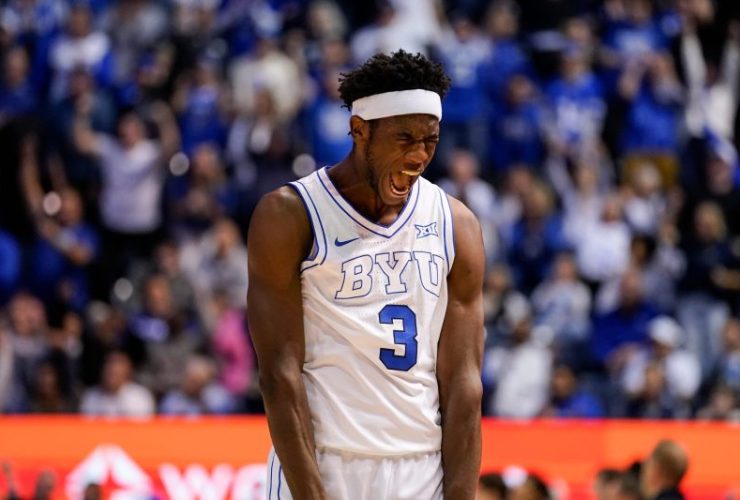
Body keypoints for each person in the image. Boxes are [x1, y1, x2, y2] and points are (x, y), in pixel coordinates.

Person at [247, 50, 485, 499]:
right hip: (323, 464)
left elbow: (464, 384)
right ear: (360, 130)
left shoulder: (456, 224)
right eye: (404, 138)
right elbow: (279, 375)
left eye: (430, 140)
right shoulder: (291, 215)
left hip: (421, 468)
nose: (419, 155)